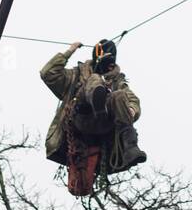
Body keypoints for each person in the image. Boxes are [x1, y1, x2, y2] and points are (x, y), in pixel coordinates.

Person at [40, 38, 147, 175]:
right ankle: (97, 100)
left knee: (119, 95)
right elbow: (47, 73)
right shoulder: (76, 75)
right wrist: (69, 51)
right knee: (94, 79)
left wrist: (131, 110)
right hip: (80, 119)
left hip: (105, 125)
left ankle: (130, 146)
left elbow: (133, 100)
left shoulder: (117, 82)